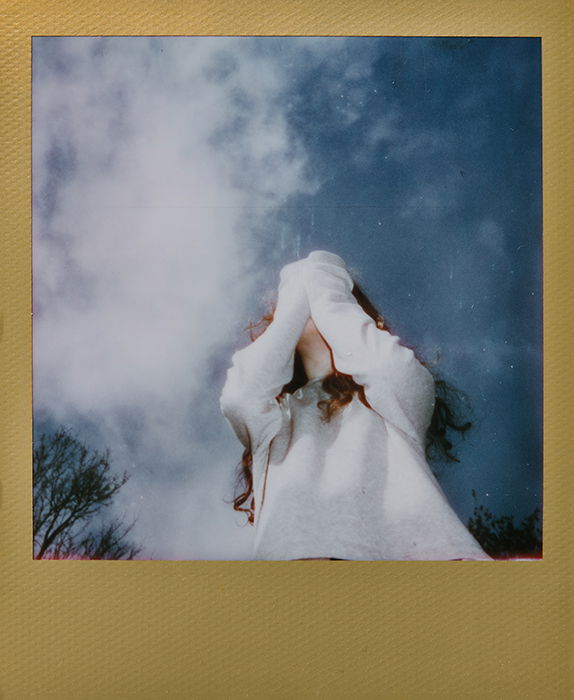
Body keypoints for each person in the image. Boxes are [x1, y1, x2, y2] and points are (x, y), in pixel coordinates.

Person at [219, 250, 492, 561]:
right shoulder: (275, 418)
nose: (309, 298)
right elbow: (240, 395)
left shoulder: (389, 402)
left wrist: (323, 280)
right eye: (299, 296)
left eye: (321, 291)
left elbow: (388, 366)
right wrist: (294, 297)